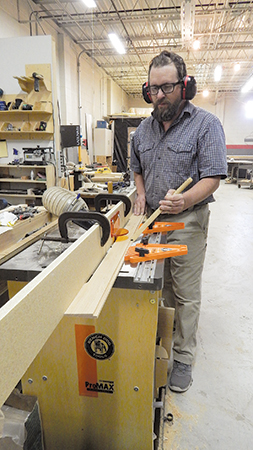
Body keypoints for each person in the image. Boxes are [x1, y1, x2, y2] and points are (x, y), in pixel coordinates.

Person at [130, 51, 227, 393]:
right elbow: (136, 168)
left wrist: (185, 199)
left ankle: (183, 357)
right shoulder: (143, 129)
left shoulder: (206, 124)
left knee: (185, 290)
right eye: (153, 88)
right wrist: (141, 194)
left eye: (167, 87)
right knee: (162, 284)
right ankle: (167, 337)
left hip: (188, 219)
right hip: (155, 220)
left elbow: (214, 176)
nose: (159, 95)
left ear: (184, 86)